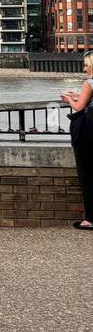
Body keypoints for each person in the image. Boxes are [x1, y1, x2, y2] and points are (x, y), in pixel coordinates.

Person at [61, 54, 93, 231]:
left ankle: (90, 219)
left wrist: (69, 100)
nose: (84, 69)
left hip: (88, 132)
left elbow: (79, 107)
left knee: (87, 173)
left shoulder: (89, 82)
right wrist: (80, 95)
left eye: (86, 65)